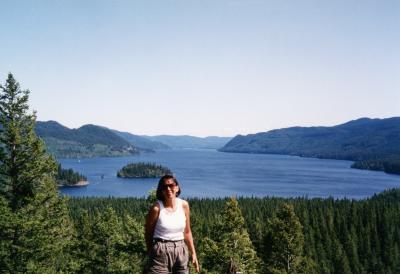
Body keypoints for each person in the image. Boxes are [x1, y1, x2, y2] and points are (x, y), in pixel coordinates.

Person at [145, 174, 200, 273]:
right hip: (160, 250)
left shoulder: (184, 205)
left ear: (177, 188)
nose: (168, 189)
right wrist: (151, 253)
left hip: (181, 250)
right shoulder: (156, 208)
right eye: (164, 187)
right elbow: (148, 233)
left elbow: (187, 232)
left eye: (171, 185)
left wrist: (193, 253)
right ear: (161, 191)